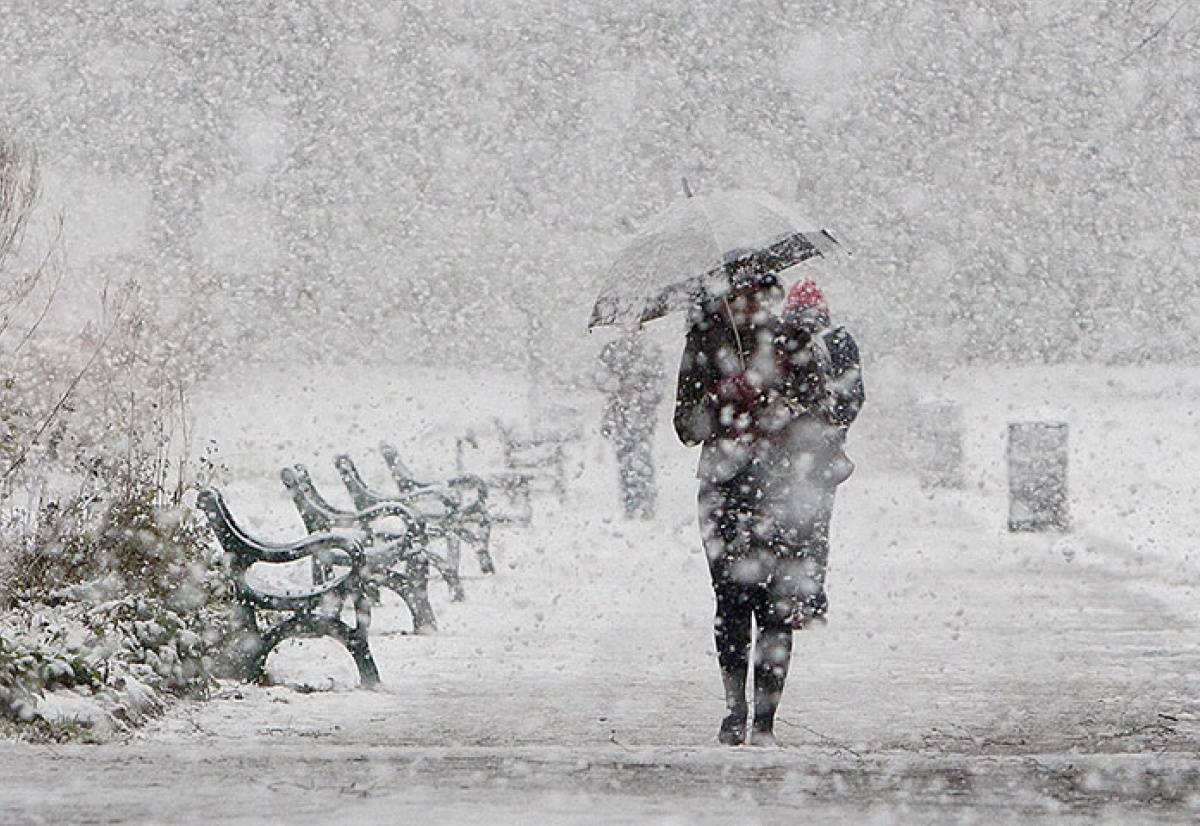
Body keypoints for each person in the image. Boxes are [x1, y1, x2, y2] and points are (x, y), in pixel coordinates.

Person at [673, 268, 863, 747]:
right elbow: (685, 426)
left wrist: (779, 407)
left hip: (782, 489)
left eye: (756, 294)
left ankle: (765, 722)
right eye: (738, 295)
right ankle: (735, 710)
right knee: (732, 604)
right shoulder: (704, 344)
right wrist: (723, 399)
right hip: (724, 486)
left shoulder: (794, 341)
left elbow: (825, 414)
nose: (748, 303)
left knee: (777, 606)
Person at [597, 330, 665, 519]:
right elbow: (600, 379)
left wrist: (640, 391)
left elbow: (659, 386)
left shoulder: (650, 353)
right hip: (620, 416)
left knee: (642, 456)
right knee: (624, 458)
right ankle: (630, 501)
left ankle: (645, 501)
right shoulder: (611, 351)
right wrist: (618, 386)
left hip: (642, 416)